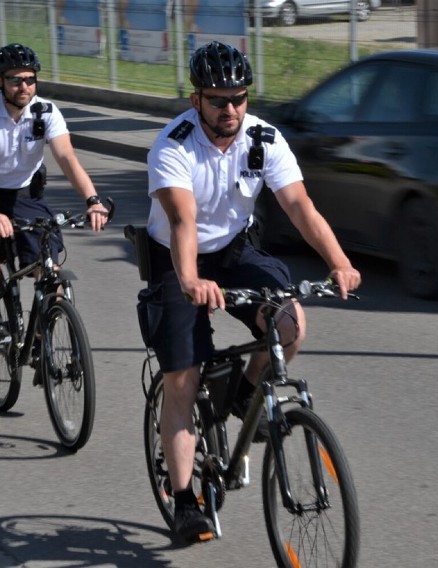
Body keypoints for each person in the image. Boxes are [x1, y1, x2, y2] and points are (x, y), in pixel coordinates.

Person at [138, 41, 361, 543]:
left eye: (239, 97)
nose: (231, 109)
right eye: (219, 100)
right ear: (196, 100)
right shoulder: (173, 145)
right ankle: (186, 500)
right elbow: (182, 220)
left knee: (291, 323)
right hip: (179, 259)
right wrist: (192, 279)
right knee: (183, 378)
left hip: (236, 252)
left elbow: (299, 206)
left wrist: (339, 262)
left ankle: (243, 393)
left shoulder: (263, 137)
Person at [0, 43, 109, 347]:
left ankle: (44, 331)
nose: (24, 86)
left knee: (50, 270)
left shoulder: (46, 111)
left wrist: (92, 200)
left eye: (30, 79)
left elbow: (66, 158)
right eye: (15, 80)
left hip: (26, 197)